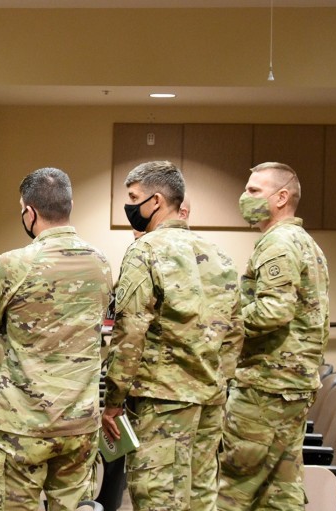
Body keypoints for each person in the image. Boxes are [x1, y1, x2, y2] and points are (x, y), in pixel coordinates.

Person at [102, 160, 243, 511]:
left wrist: (114, 400)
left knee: (157, 498)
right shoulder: (220, 255)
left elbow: (129, 332)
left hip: (161, 403)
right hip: (210, 400)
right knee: (200, 498)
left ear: (156, 201)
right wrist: (216, 382)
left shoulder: (145, 251)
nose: (130, 206)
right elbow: (235, 331)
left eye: (134, 197)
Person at [0, 167, 113, 510]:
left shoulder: (13, 265)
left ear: (29, 212)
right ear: (69, 205)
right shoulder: (100, 263)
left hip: (22, 423)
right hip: (78, 423)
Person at [218, 162, 330, 511]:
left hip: (265, 385)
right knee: (280, 489)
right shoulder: (304, 242)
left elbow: (273, 311)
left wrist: (223, 326)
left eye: (253, 191)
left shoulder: (278, 243)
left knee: (234, 487)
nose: (244, 197)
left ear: (282, 197)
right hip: (292, 384)